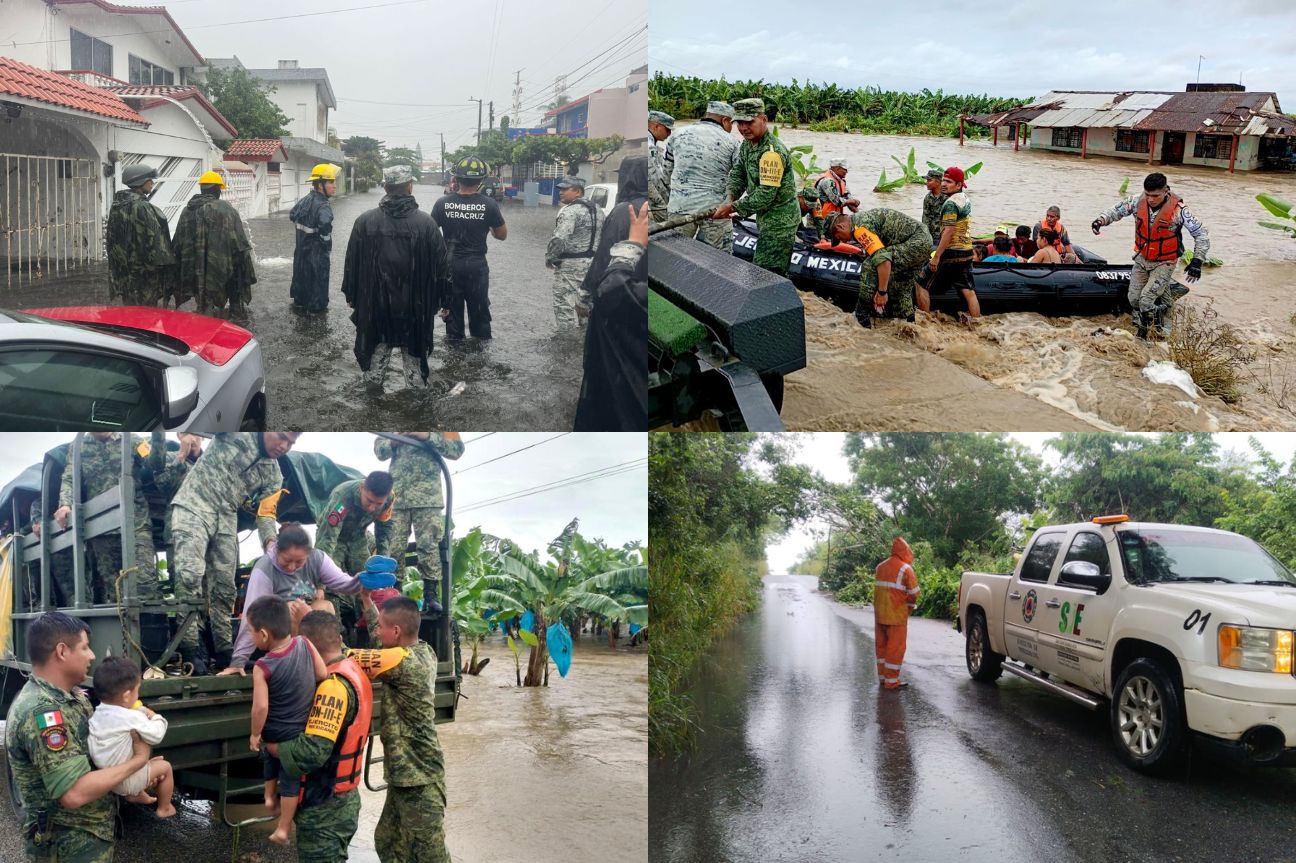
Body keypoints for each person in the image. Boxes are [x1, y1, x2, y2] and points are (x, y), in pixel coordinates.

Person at [6, 612, 156, 862]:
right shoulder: (41, 711)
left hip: (86, 837)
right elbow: (74, 793)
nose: (93, 656)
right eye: (85, 647)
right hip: (67, 844)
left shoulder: (72, 697)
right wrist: (138, 761)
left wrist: (131, 782)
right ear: (62, 652)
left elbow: (92, 757)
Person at [170, 432, 296, 674]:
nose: (284, 446)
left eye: (291, 442)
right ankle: (190, 651)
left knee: (225, 587)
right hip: (195, 504)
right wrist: (189, 433)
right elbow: (207, 406)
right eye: (281, 437)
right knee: (190, 576)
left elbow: (266, 513)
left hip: (226, 517)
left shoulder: (273, 474)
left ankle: (224, 652)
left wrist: (271, 543)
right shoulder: (234, 432)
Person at [349, 592, 450, 863]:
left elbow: (345, 656)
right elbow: (376, 636)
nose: (378, 633)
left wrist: (307, 638)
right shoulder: (423, 650)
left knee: (430, 855)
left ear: (396, 631)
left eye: (383, 628)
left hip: (421, 779)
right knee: (389, 842)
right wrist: (367, 601)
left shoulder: (406, 663)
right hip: (403, 777)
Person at [267, 611, 374, 863]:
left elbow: (311, 752)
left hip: (325, 806)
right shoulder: (351, 668)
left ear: (306, 647)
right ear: (338, 638)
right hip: (341, 800)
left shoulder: (332, 686)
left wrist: (269, 747)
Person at [344, 165, 451, 389]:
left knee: (373, 376)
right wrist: (445, 302)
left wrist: (352, 295)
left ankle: (371, 417)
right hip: (415, 310)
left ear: (385, 187)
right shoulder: (427, 224)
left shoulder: (365, 222)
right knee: (415, 377)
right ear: (410, 187)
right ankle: (415, 418)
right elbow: (443, 268)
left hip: (376, 309)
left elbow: (351, 263)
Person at [224, 522, 364, 673]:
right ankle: (294, 665)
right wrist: (238, 661)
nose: (292, 567)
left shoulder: (317, 558)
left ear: (309, 554)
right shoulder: (264, 568)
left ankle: (328, 661)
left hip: (306, 621)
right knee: (291, 607)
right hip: (278, 629)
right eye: (287, 560)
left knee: (325, 607)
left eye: (299, 562)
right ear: (277, 551)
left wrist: (366, 580)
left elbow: (346, 584)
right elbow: (251, 615)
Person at [244, 595, 328, 845]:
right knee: (290, 781)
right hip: (297, 732)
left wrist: (255, 734)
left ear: (264, 635)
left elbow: (260, 707)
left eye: (250, 632)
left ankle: (269, 797)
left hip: (273, 732)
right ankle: (283, 829)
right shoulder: (304, 643)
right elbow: (322, 673)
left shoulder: (263, 666)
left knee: (268, 757)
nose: (251, 638)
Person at [1092, 172, 1210, 340]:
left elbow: (1202, 234)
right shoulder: (1136, 201)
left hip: (1165, 262)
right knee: (1134, 299)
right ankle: (1164, 307)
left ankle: (1144, 335)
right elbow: (1116, 211)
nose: (1151, 199)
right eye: (1147, 195)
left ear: (1166, 191)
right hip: (1142, 259)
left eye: (1155, 195)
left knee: (1146, 300)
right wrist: (1100, 221)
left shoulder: (1179, 211)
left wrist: (1197, 261)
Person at [53, 433, 167, 605]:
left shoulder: (132, 440)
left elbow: (155, 464)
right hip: (102, 529)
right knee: (115, 591)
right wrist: (65, 504)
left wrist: (158, 434)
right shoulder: (78, 446)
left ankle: (151, 630)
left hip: (135, 524)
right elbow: (69, 477)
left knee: (145, 584)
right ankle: (122, 631)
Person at [574, 192, 649, 431]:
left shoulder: (624, 212)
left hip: (621, 310)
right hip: (641, 321)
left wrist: (586, 293)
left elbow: (607, 273)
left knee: (609, 374)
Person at [712, 98, 799, 276]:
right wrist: (730, 197)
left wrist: (733, 207)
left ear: (764, 120)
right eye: (740, 123)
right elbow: (738, 174)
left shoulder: (771, 153)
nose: (743, 128)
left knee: (766, 272)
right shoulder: (747, 145)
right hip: (764, 217)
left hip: (780, 222)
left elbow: (765, 194)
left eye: (749, 122)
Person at [312, 472, 395, 644]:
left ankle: (367, 635)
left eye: (377, 504)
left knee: (367, 580)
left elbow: (384, 530)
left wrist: (383, 561)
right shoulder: (342, 496)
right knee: (329, 583)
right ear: (362, 488)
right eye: (369, 501)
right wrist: (319, 584)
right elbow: (327, 540)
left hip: (358, 538)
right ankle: (335, 638)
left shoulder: (388, 499)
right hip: (333, 537)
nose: (372, 508)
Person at [86, 656, 174, 816]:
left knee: (129, 750)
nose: (137, 694)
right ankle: (165, 808)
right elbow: (157, 735)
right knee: (165, 767)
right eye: (137, 690)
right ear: (127, 696)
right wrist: (154, 716)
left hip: (107, 777)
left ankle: (136, 794)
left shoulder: (97, 713)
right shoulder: (132, 718)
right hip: (125, 780)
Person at [430, 156, 505, 340]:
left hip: (450, 267)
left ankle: (455, 360)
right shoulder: (489, 204)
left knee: (452, 315)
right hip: (477, 267)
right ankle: (480, 361)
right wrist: (489, 229)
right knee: (480, 315)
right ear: (481, 180)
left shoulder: (442, 203)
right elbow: (502, 235)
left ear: (456, 179)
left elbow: (430, 235)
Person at [374, 434, 464, 587]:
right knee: (393, 548)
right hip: (398, 498)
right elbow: (379, 451)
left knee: (428, 546)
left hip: (428, 498)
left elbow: (456, 449)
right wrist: (396, 439)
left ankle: (431, 597)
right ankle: (394, 593)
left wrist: (427, 435)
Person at [171, 170, 257, 320]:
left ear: (202, 189)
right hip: (222, 264)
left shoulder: (187, 210)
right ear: (217, 189)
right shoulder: (226, 208)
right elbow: (240, 242)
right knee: (232, 288)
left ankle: (204, 315)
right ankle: (235, 317)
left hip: (196, 266)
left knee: (202, 294)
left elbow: (179, 241)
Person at [824, 209, 929, 327]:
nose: (843, 241)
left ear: (841, 227)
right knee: (901, 288)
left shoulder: (860, 229)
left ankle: (861, 317)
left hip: (916, 242)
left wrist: (881, 293)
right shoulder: (860, 220)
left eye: (838, 238)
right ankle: (910, 326)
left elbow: (884, 261)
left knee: (869, 265)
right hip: (923, 241)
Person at [662, 101, 739, 250]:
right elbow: (739, 178)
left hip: (679, 208)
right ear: (725, 120)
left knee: (676, 254)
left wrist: (672, 200)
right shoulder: (732, 142)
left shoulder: (677, 135)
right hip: (715, 212)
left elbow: (666, 173)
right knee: (720, 261)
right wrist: (732, 203)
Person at [105, 164, 174, 307]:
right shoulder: (142, 206)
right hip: (144, 275)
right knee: (147, 315)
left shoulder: (117, 205)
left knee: (130, 311)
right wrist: (167, 270)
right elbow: (155, 243)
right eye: (150, 180)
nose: (152, 183)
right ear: (140, 182)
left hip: (125, 273)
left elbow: (112, 239)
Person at [917, 166, 979, 318]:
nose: (944, 184)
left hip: (951, 251)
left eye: (949, 182)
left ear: (958, 185)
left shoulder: (950, 203)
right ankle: (977, 323)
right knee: (968, 291)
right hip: (966, 250)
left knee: (920, 282)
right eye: (943, 180)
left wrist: (937, 256)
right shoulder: (964, 199)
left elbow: (949, 231)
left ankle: (925, 323)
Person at [545, 176, 604, 328]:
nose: (561, 192)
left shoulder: (570, 211)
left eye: (565, 189)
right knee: (585, 303)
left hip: (570, 266)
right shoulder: (597, 210)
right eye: (561, 189)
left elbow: (559, 238)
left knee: (563, 305)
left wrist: (550, 257)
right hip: (592, 266)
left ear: (578, 192)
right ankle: (585, 341)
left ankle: (566, 343)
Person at [289, 163, 338, 314]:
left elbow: (292, 215)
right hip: (317, 254)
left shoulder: (305, 200)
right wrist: (326, 246)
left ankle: (300, 302)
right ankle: (316, 310)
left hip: (302, 252)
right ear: (320, 185)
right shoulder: (323, 205)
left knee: (302, 280)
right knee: (318, 283)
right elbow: (325, 227)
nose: (334, 186)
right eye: (331, 182)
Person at [874, 537, 920, 690]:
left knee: (882, 647)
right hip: (896, 616)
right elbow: (914, 592)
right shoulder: (906, 569)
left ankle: (883, 678)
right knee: (895, 648)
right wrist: (910, 606)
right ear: (905, 552)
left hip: (880, 615)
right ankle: (892, 681)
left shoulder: (880, 567)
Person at [647, 109, 675, 223]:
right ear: (656, 126)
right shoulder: (648, 145)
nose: (669, 134)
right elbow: (654, 176)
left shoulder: (652, 142)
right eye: (667, 130)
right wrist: (667, 196)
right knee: (665, 222)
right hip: (653, 190)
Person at [920, 168, 946, 246]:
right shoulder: (928, 198)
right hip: (932, 236)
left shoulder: (947, 197)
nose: (926, 183)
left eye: (929, 180)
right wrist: (925, 234)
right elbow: (925, 217)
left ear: (938, 182)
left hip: (945, 235)